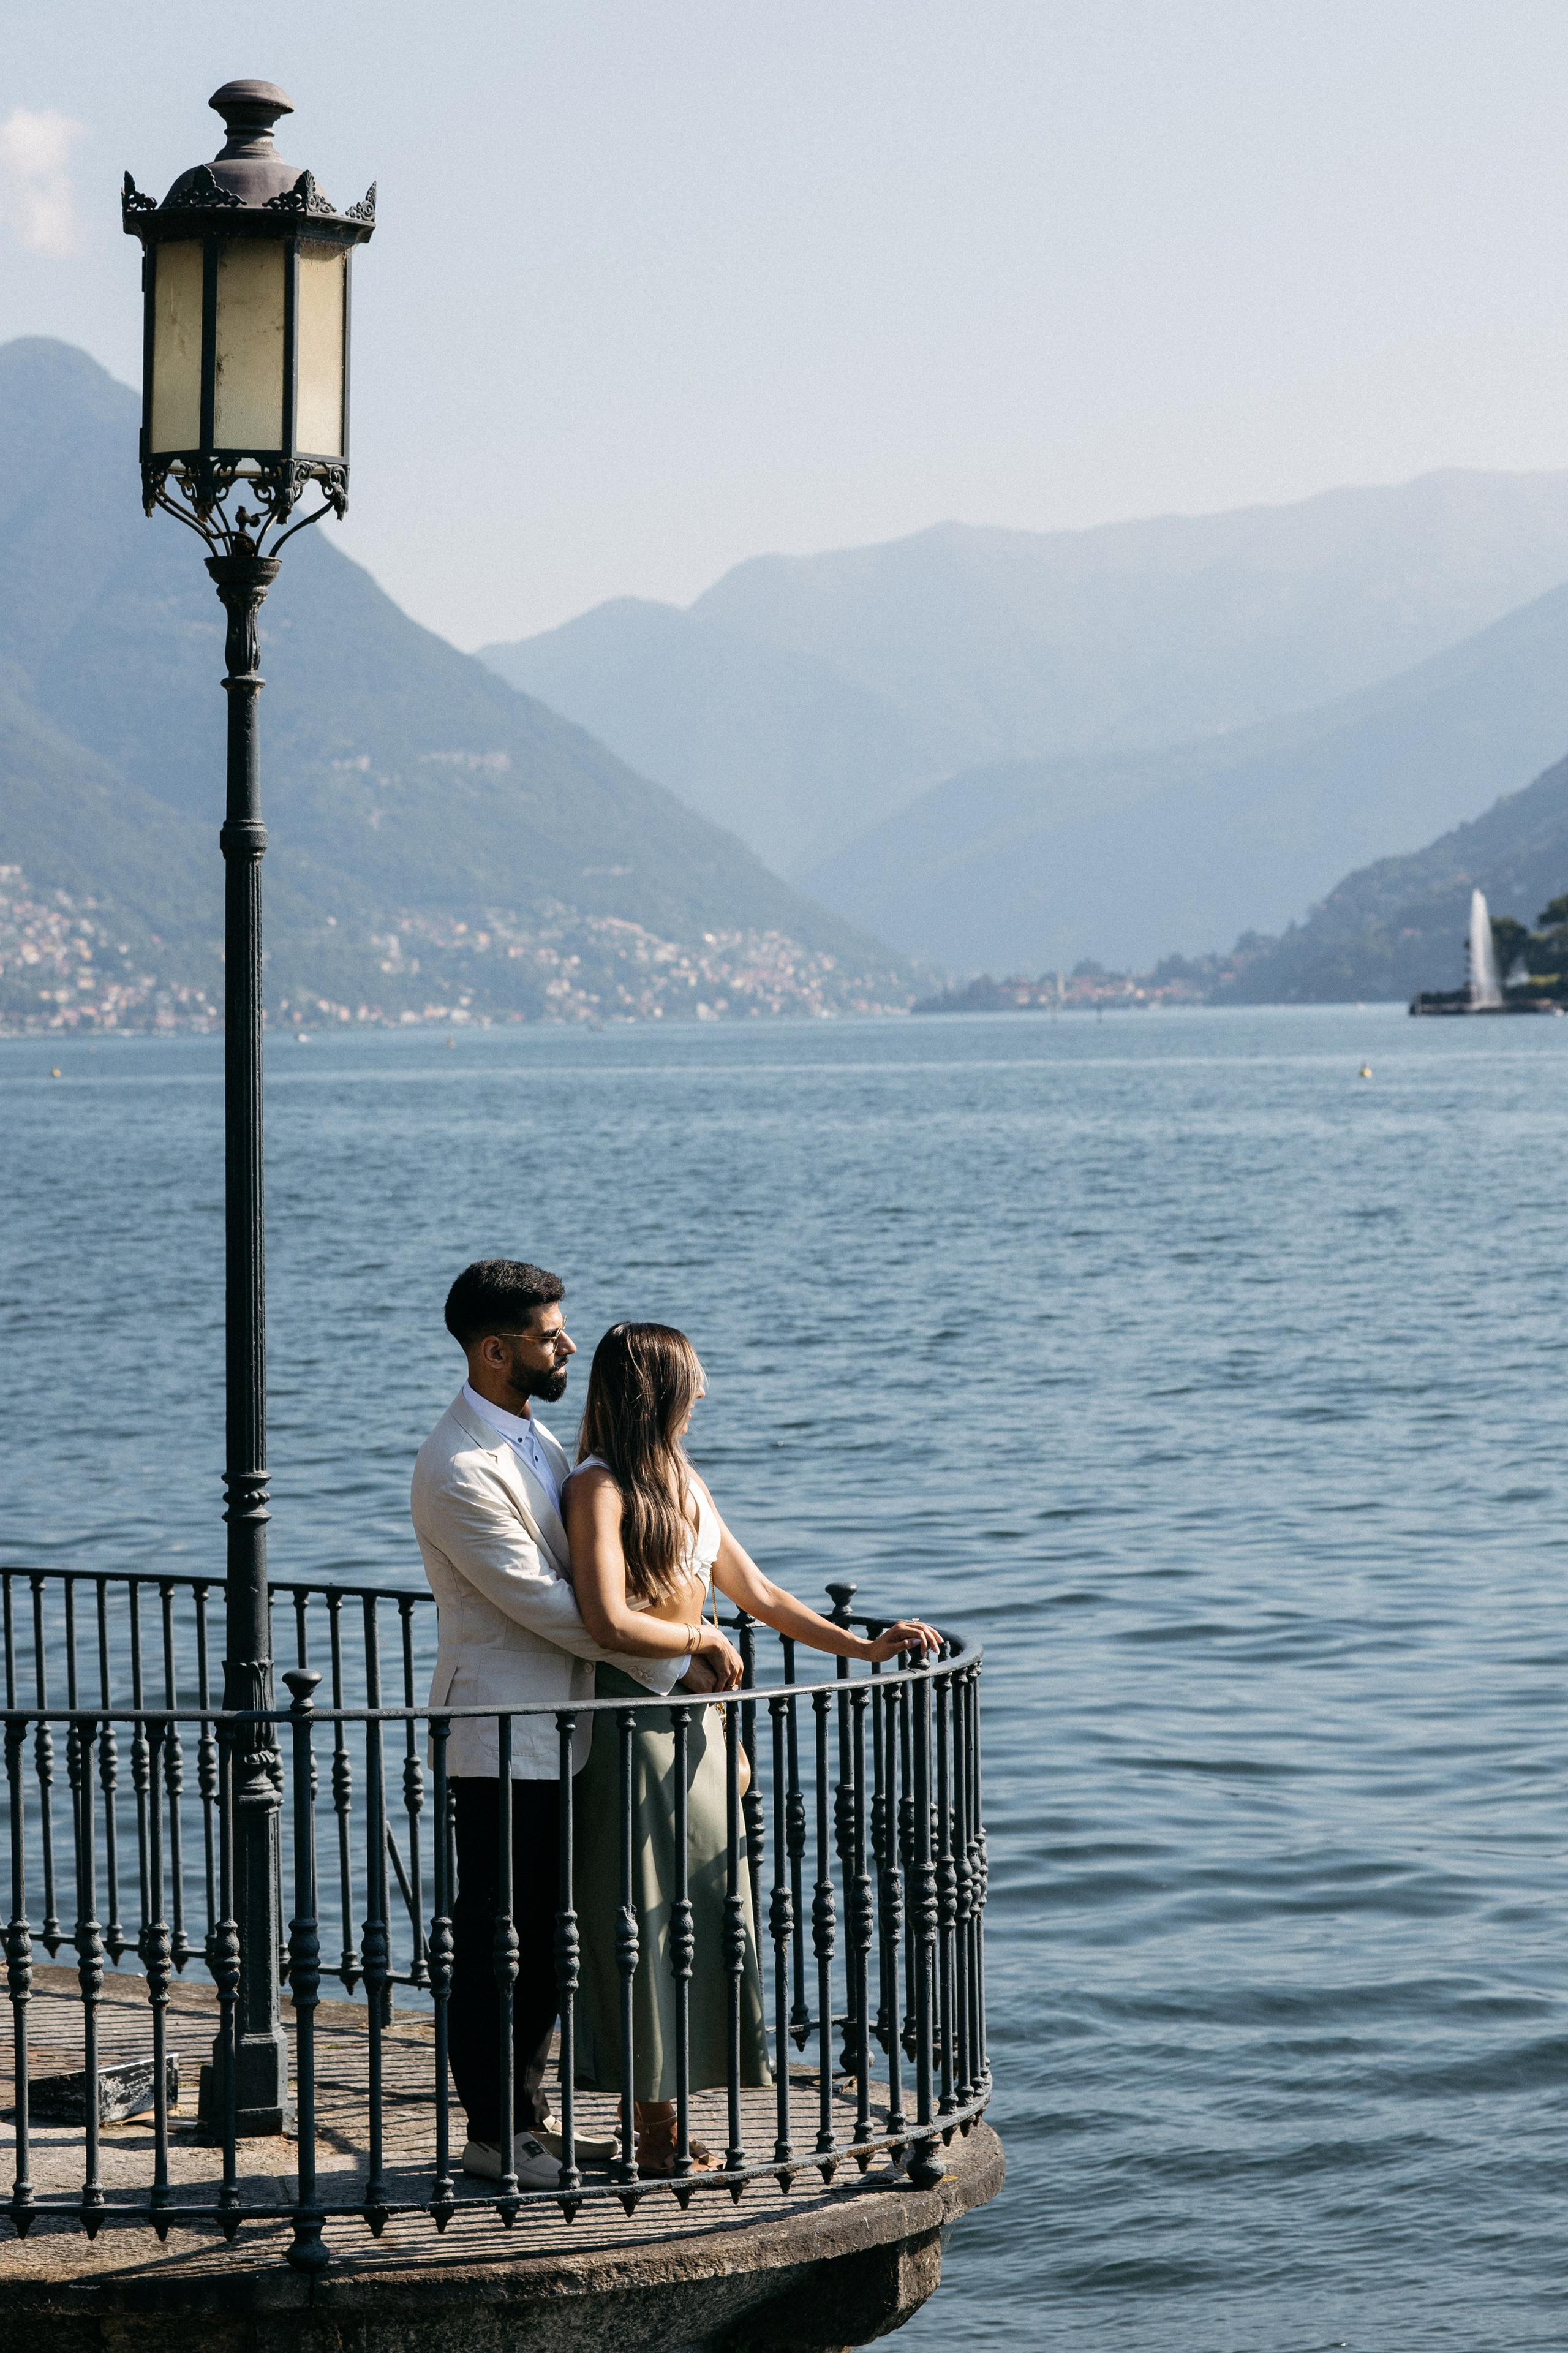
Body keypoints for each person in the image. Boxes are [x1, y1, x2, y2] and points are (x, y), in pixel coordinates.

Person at [563, 1321, 940, 2177]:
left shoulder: (683, 1482)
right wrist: (698, 1636)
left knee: (697, 1914)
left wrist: (867, 1648)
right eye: (693, 1380)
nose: (705, 1394)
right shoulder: (597, 1487)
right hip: (632, 1727)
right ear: (658, 1391)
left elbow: (762, 1593)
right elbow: (604, 1619)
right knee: (641, 1919)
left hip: (698, 1733)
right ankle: (652, 2130)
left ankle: (671, 2117)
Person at [410, 1261, 741, 2187]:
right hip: (499, 1731)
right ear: (496, 1349)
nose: (566, 1345)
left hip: (564, 1731)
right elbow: (552, 1606)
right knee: (493, 1941)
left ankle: (529, 2120)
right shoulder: (456, 1465)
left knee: (549, 1942)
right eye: (550, 1334)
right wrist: (680, 1646)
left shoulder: (538, 1441)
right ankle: (493, 2137)